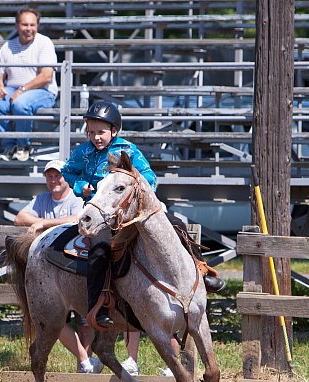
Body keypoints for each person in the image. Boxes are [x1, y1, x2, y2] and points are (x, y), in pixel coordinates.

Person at [61, 101, 226, 329]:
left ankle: (202, 270)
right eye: (91, 132)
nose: (96, 137)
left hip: (132, 212)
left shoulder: (127, 151)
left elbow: (149, 177)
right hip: (103, 217)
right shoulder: (82, 152)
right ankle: (97, 307)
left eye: (101, 132)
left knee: (176, 225)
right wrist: (80, 187)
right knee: (98, 252)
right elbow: (67, 171)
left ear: (114, 131)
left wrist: (138, 195)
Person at [14, 159, 101, 373]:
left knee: (85, 320)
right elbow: (20, 217)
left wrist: (43, 223)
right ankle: (84, 360)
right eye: (49, 176)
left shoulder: (75, 197)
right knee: (53, 317)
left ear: (66, 178)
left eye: (57, 176)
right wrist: (43, 222)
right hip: (49, 265)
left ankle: (85, 363)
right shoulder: (42, 198)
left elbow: (78, 218)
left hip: (74, 262)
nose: (53, 180)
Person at [0, 7, 58, 162]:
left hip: (43, 91)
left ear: (37, 26)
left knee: (21, 104)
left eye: (32, 25)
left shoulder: (44, 43)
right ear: (17, 26)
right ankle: (10, 145)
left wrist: (22, 89)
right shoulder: (7, 46)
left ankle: (23, 146)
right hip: (13, 89)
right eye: (25, 25)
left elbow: (46, 76)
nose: (29, 29)